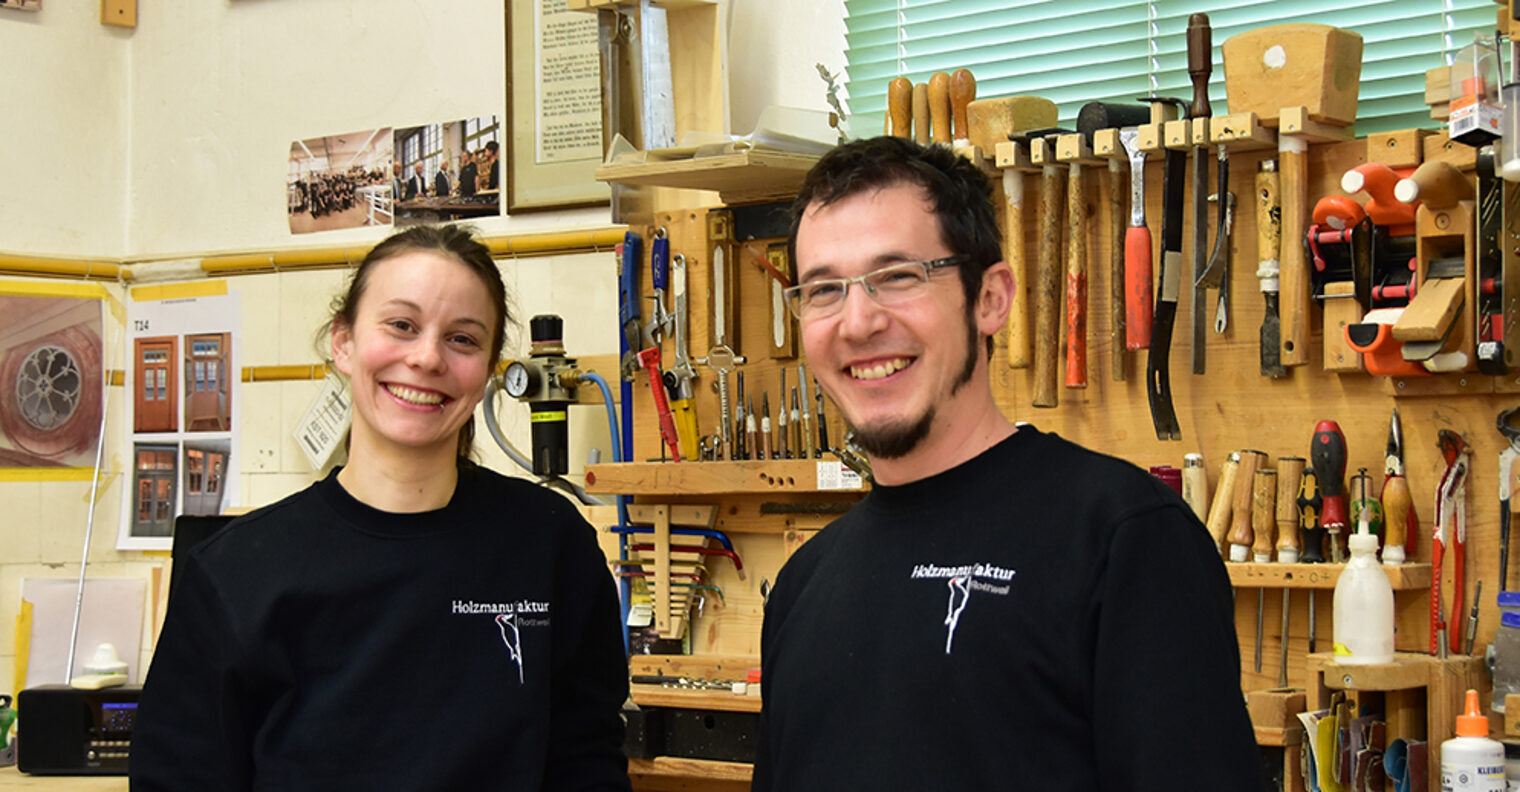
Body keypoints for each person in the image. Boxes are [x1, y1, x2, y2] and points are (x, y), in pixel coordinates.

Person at [750, 136, 1261, 790]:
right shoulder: (803, 586)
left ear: (990, 299)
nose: (857, 322)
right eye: (824, 290)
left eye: (898, 277)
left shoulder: (1124, 540)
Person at [131, 225, 631, 791]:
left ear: (491, 370)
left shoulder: (550, 542)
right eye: (401, 325)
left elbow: (586, 760)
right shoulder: (234, 572)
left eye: (463, 339)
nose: (426, 358)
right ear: (342, 342)